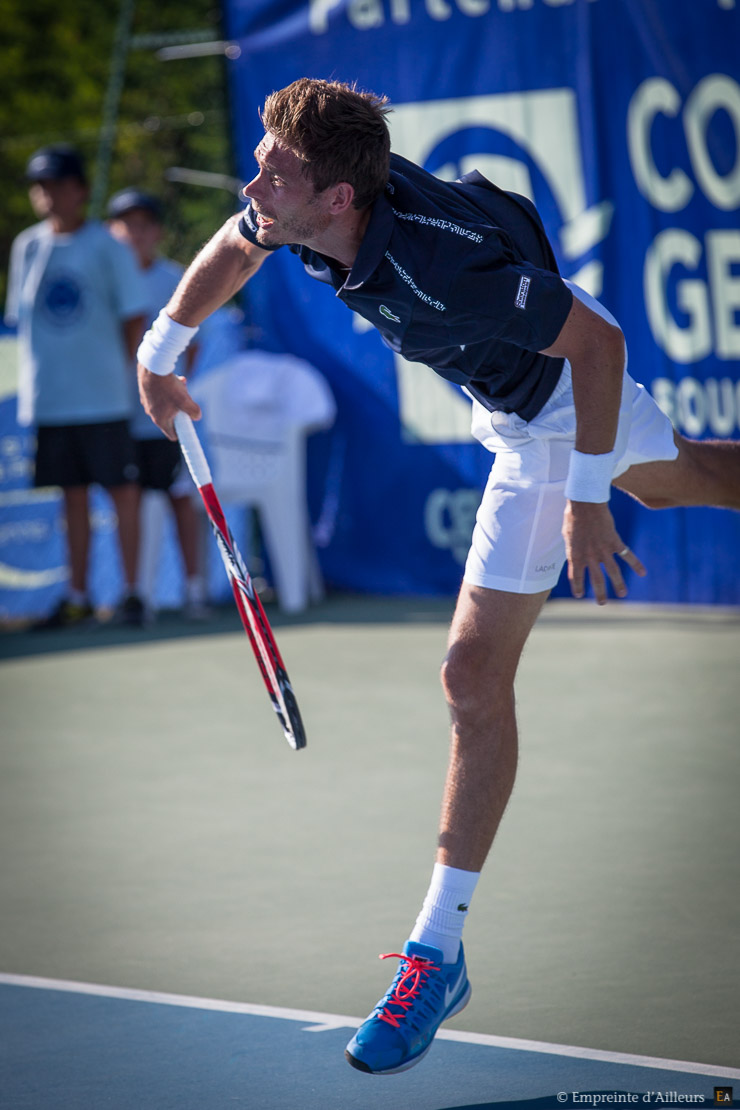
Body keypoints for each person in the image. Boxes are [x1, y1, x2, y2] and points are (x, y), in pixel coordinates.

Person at [135, 80, 740, 1075]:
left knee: (470, 677)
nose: (254, 183)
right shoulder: (313, 203)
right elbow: (240, 241)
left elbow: (595, 346)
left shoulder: (433, 264)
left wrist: (585, 501)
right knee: (691, 483)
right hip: (514, 395)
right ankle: (438, 951)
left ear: (336, 200)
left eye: (273, 172)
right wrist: (163, 348)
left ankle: (434, 951)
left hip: (558, 407)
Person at [5, 144, 149, 628]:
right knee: (72, 498)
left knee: (123, 494)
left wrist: (118, 375)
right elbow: (22, 323)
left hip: (105, 398)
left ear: (80, 191)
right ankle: (78, 596)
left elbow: (134, 317)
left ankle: (132, 594)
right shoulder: (27, 245)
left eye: (58, 184)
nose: (47, 195)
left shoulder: (108, 246)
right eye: (39, 186)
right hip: (52, 403)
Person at [106, 188, 208, 621]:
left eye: (144, 224)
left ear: (158, 231)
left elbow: (195, 346)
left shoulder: (174, 278)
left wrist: (171, 387)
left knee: (179, 501)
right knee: (128, 504)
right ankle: (136, 596)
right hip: (116, 418)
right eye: (126, 224)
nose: (134, 233)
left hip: (164, 420)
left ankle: (195, 591)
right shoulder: (105, 280)